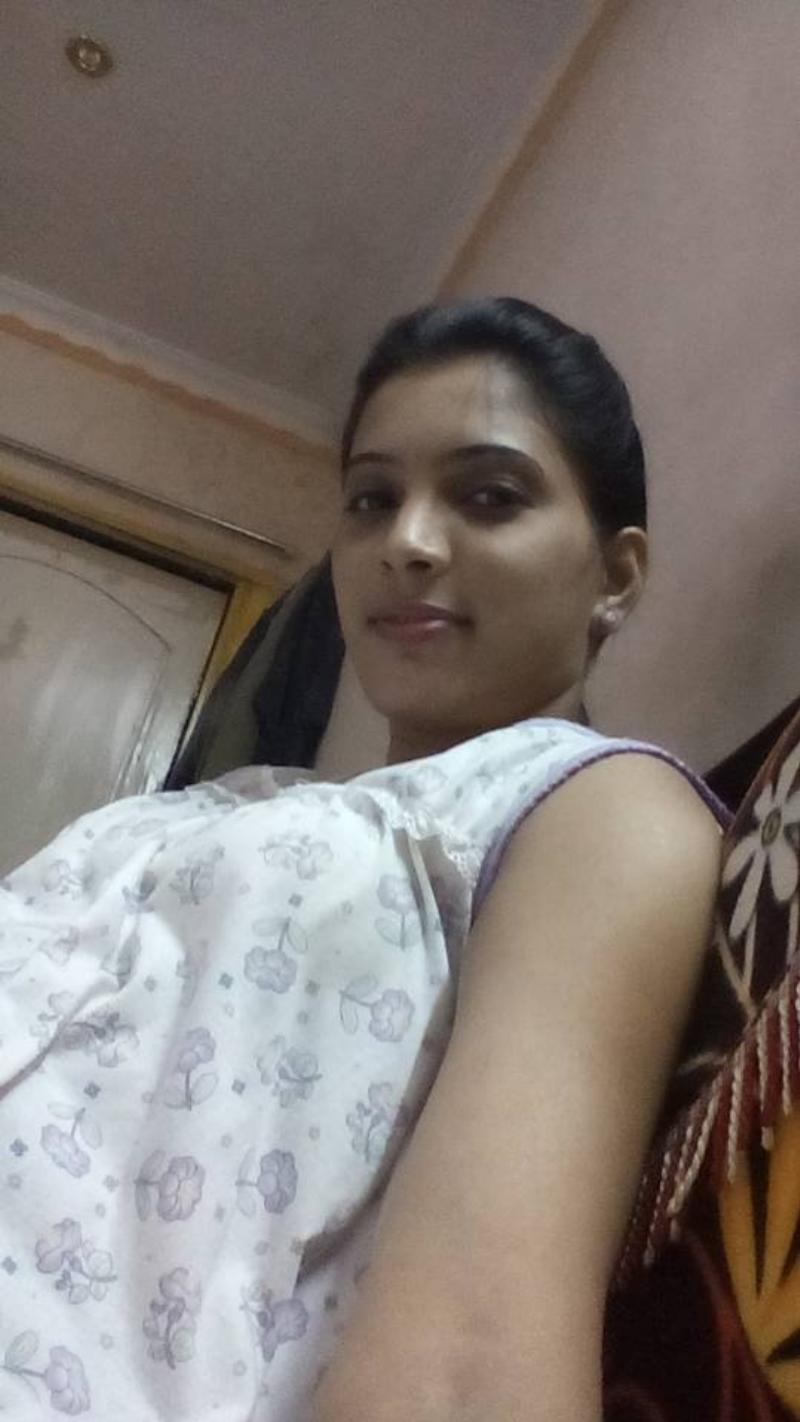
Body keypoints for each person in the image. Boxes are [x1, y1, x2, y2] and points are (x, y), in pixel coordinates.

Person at [0, 298, 725, 1422]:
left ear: (616, 576)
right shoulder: (252, 798)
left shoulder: (597, 805)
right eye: (372, 500)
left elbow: (470, 1360)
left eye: (489, 496)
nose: (407, 542)